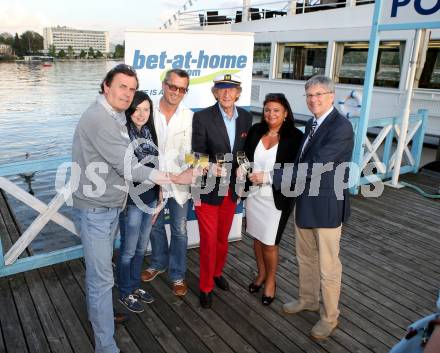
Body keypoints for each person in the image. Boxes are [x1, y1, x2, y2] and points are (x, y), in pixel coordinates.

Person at [72, 64, 194, 353]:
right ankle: (105, 345)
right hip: (95, 210)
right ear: (106, 86)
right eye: (122, 87)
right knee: (101, 279)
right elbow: (128, 165)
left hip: (110, 205)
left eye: (131, 87)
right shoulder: (100, 118)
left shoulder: (111, 115)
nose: (127, 94)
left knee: (103, 273)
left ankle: (100, 315)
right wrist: (175, 177)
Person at [253, 75, 354, 339]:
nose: (313, 100)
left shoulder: (340, 127)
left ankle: (330, 317)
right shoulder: (311, 123)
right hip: (304, 202)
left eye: (319, 94)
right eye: (309, 95)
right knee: (305, 257)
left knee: (329, 267)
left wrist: (271, 176)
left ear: (332, 95)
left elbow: (316, 166)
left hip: (327, 206)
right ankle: (308, 299)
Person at [192, 73, 252, 309]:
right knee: (208, 241)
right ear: (215, 92)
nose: (227, 93)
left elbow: (246, 153)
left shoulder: (246, 117)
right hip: (207, 190)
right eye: (222, 88)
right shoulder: (202, 117)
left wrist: (245, 167)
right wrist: (208, 166)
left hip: (232, 190)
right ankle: (205, 286)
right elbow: (195, 154)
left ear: (238, 92)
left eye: (232, 88)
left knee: (222, 238)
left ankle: (217, 273)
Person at [245, 93, 303, 306]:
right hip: (253, 195)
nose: (271, 114)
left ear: (285, 113)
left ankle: (271, 281)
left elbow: (298, 171)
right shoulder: (256, 130)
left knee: (270, 242)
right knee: (257, 237)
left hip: (276, 199)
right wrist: (242, 171)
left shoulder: (296, 137)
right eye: (267, 109)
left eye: (276, 110)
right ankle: (260, 274)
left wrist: (267, 177)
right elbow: (246, 157)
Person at [141, 69, 193, 297]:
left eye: (182, 89)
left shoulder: (190, 117)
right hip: (152, 183)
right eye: (173, 86)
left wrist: (191, 167)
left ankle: (178, 274)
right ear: (164, 85)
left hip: (179, 185)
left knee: (180, 231)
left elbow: (193, 152)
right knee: (155, 225)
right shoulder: (147, 111)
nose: (177, 92)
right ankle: (158, 263)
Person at [116, 91, 159, 313]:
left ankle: (134, 286)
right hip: (131, 201)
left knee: (141, 248)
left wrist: (160, 193)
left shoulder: (150, 133)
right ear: (129, 110)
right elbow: (129, 170)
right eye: (137, 109)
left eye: (146, 109)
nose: (142, 114)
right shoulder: (123, 134)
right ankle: (125, 291)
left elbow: (157, 166)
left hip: (150, 199)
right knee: (128, 250)